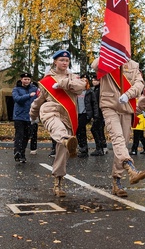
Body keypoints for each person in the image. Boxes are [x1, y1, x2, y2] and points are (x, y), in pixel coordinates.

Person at [29, 50, 87, 197]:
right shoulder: (46, 81)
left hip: (68, 115)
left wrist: (62, 83)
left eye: (67, 61)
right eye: (61, 60)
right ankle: (67, 140)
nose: (64, 63)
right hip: (51, 111)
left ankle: (58, 181)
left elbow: (81, 86)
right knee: (59, 131)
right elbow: (38, 101)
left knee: (63, 150)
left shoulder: (74, 77)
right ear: (55, 62)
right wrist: (33, 116)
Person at [91, 57, 145, 197]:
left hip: (127, 107)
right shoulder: (107, 59)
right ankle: (130, 168)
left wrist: (128, 94)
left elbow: (140, 84)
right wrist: (108, 52)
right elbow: (95, 66)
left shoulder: (134, 65)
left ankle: (117, 180)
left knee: (123, 142)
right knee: (117, 138)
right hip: (109, 105)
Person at [12, 72, 39, 163]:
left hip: (30, 116)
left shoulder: (35, 89)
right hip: (19, 116)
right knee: (19, 135)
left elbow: (39, 99)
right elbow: (17, 99)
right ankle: (17, 152)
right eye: (25, 79)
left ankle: (22, 153)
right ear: (21, 80)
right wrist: (28, 96)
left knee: (27, 136)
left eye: (28, 79)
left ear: (30, 80)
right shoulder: (16, 89)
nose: (26, 81)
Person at [88, 76, 108, 156]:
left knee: (95, 129)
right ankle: (103, 147)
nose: (93, 81)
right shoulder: (95, 89)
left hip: (100, 113)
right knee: (99, 130)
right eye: (92, 80)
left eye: (95, 80)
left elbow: (97, 102)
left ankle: (99, 148)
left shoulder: (100, 89)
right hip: (98, 113)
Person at [75, 76, 92, 158]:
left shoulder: (89, 92)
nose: (84, 82)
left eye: (85, 81)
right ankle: (81, 147)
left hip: (85, 114)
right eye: (82, 81)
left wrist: (93, 115)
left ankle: (84, 149)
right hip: (77, 113)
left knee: (81, 130)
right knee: (77, 131)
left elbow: (94, 104)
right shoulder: (77, 92)